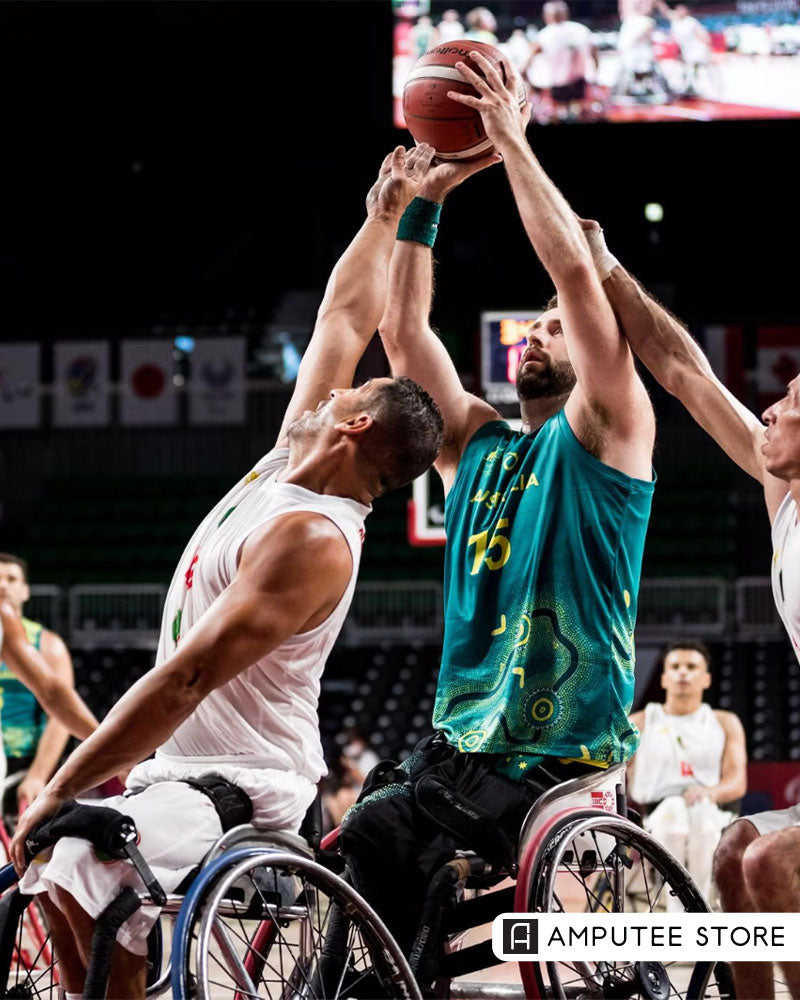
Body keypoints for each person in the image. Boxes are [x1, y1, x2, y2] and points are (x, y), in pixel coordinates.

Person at [10, 144, 445, 1000]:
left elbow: (189, 675)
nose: (320, 395)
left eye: (338, 399)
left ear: (355, 425)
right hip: (178, 771)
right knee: (58, 873)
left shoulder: (315, 538)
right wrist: (385, 214)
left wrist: (62, 781)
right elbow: (340, 321)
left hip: (249, 785)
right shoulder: (287, 468)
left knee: (82, 857)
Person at [340, 49, 656, 969]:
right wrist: (426, 201)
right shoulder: (476, 446)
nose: (538, 332)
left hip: (561, 751)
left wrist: (511, 141)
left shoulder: (607, 428)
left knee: (413, 842)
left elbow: (572, 271)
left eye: (553, 324)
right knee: (369, 840)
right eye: (532, 326)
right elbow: (403, 334)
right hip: (464, 741)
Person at [572, 216, 799, 999]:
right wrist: (605, 270)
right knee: (736, 849)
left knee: (770, 859)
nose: (769, 409)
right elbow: (683, 371)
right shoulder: (786, 497)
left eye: (790, 401)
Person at [628, 639, 747, 908]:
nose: (683, 672)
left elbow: (737, 781)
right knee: (673, 813)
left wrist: (710, 792)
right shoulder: (641, 722)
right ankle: (682, 913)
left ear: (706, 679)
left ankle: (699, 907)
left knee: (702, 820)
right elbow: (615, 775)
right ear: (664, 678)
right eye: (676, 666)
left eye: (691, 666)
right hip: (656, 814)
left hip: (712, 810)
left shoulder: (724, 722)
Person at [0, 553, 77, 819]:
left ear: (25, 591)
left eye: (11, 579)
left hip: (23, 766)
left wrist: (37, 775)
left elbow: (59, 713)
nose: (3, 585)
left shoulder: (47, 644)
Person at [523, 1, 599, 122]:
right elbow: (595, 51)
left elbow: (526, 62)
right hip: (580, 83)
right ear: (566, 14)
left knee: (558, 116)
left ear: (547, 16)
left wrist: (526, 77)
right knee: (580, 115)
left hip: (557, 86)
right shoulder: (581, 29)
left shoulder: (545, 34)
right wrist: (596, 71)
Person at [656, 0, 712, 97]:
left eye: (682, 9)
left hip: (696, 50)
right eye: (678, 9)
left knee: (697, 71)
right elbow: (664, 10)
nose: (679, 11)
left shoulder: (691, 22)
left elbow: (704, 37)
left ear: (687, 11)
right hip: (685, 50)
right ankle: (690, 89)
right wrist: (657, 2)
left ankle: (704, 91)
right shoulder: (675, 19)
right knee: (686, 70)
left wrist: (710, 49)